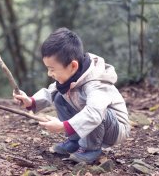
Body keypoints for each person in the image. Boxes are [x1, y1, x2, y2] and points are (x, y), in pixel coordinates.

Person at [13, 27, 130, 164]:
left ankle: (91, 148)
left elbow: (94, 113)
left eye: (52, 69)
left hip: (115, 129)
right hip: (95, 119)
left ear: (73, 66)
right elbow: (52, 91)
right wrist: (29, 101)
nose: (49, 74)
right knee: (58, 96)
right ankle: (75, 141)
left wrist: (64, 126)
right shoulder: (72, 76)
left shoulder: (96, 83)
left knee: (94, 108)